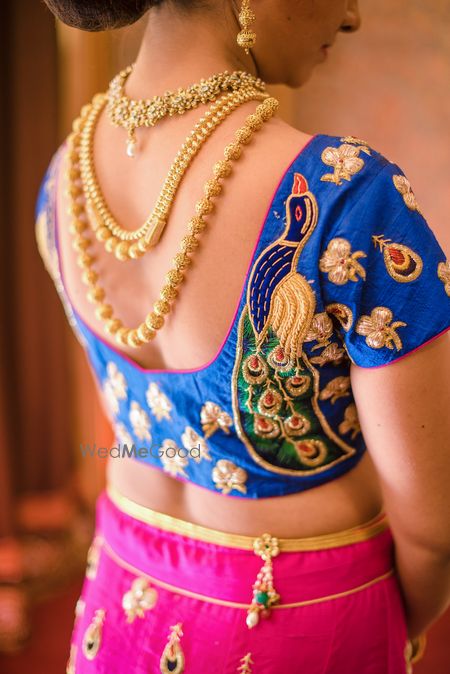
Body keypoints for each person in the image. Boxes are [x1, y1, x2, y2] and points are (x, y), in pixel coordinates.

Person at [35, 0, 450, 672]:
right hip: (300, 621)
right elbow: (435, 531)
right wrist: (394, 631)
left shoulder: (62, 177)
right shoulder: (349, 199)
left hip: (121, 599)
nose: (351, 18)